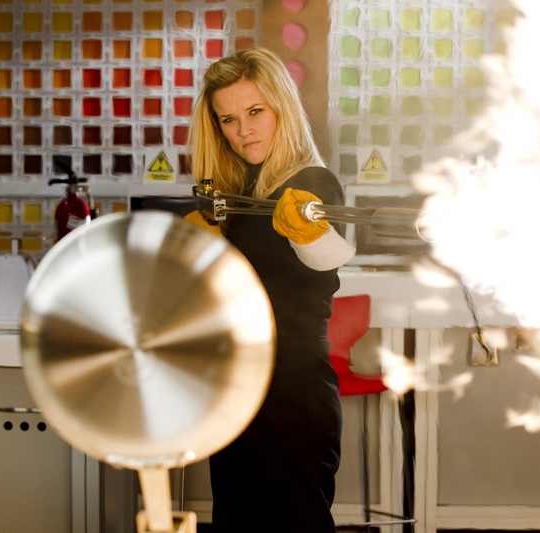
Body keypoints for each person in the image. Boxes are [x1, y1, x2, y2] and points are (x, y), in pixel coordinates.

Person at [191, 47, 355, 532]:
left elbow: (328, 261)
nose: (243, 131)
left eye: (256, 111)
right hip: (239, 388)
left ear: (282, 107)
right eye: (229, 119)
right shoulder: (240, 191)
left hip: (292, 394)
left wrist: (311, 234)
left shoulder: (313, 183)